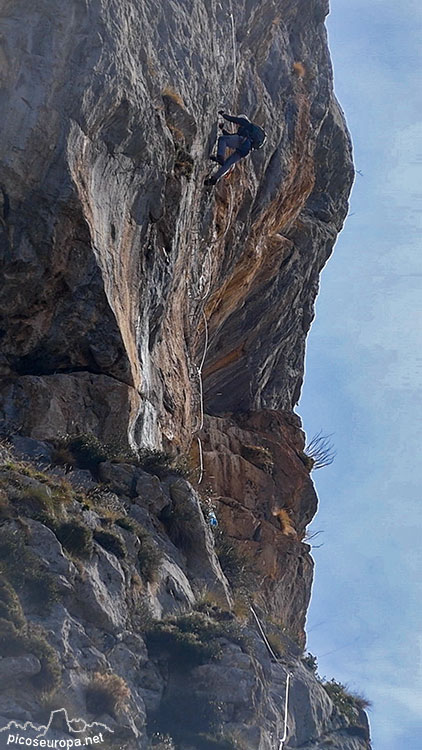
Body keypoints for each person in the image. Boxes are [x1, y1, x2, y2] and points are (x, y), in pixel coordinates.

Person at [204, 111, 266, 186]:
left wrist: (223, 115)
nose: (237, 124)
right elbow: (231, 136)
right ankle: (214, 179)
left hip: (243, 141)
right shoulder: (247, 131)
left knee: (222, 139)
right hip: (246, 150)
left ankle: (220, 157)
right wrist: (222, 130)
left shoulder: (245, 123)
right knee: (229, 163)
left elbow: (232, 119)